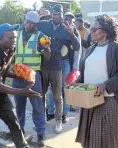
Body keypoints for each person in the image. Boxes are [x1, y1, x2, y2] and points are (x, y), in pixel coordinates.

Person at [75, 14, 118, 148]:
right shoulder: (89, 49)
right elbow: (86, 71)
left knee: (108, 141)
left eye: (95, 29)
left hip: (109, 101)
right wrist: (77, 82)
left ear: (105, 30)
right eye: (91, 29)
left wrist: (105, 85)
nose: (91, 31)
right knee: (91, 140)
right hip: (90, 101)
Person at [37, 4, 80, 134]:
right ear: (52, 14)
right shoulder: (44, 24)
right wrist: (37, 17)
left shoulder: (67, 28)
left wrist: (72, 34)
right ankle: (41, 121)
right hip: (43, 65)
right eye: (55, 14)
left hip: (57, 66)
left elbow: (77, 47)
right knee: (41, 94)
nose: (57, 16)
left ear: (62, 15)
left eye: (59, 14)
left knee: (57, 95)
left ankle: (58, 121)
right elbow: (29, 26)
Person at [13, 11, 50, 147]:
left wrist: (46, 49)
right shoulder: (17, 34)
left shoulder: (40, 36)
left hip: (33, 78)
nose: (30, 25)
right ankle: (20, 132)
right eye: (28, 22)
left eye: (33, 23)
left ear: (36, 24)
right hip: (18, 76)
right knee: (19, 106)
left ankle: (41, 133)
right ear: (25, 20)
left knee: (37, 105)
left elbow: (47, 57)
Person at [46, 12, 82, 122]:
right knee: (52, 89)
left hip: (66, 63)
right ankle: (50, 112)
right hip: (53, 63)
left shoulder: (73, 31)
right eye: (66, 18)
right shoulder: (55, 28)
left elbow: (77, 50)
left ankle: (64, 114)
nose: (68, 20)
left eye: (71, 19)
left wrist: (75, 67)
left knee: (65, 89)